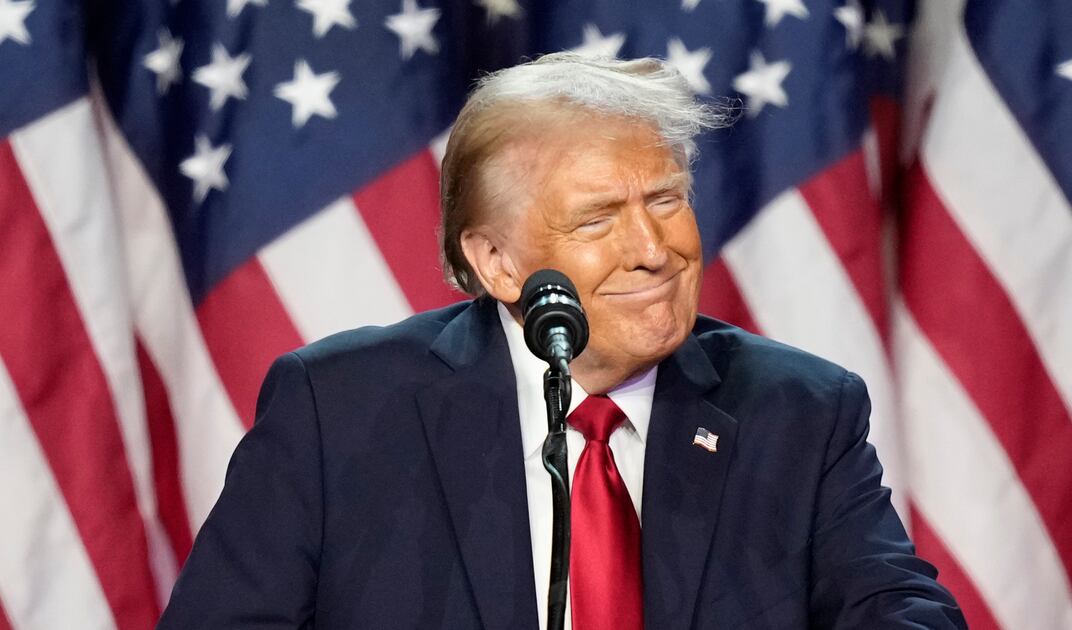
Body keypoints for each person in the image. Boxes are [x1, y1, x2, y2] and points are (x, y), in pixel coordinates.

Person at [159, 53, 965, 629]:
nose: (654, 248)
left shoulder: (797, 411)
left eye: (665, 199)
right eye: (599, 218)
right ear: (496, 262)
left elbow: (903, 612)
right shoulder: (340, 411)